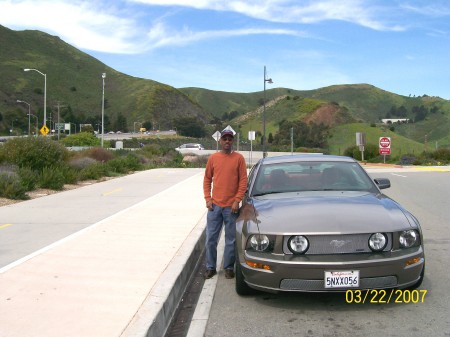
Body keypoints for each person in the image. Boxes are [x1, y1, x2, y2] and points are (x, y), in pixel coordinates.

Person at [203, 129, 248, 279]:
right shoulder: (213, 158)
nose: (227, 141)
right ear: (220, 141)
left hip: (231, 208)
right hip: (214, 207)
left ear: (232, 141)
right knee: (210, 239)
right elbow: (207, 180)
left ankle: (229, 267)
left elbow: (243, 181)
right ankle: (210, 267)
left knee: (231, 240)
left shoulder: (239, 159)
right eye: (225, 139)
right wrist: (207, 199)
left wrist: (237, 200)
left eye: (230, 139)